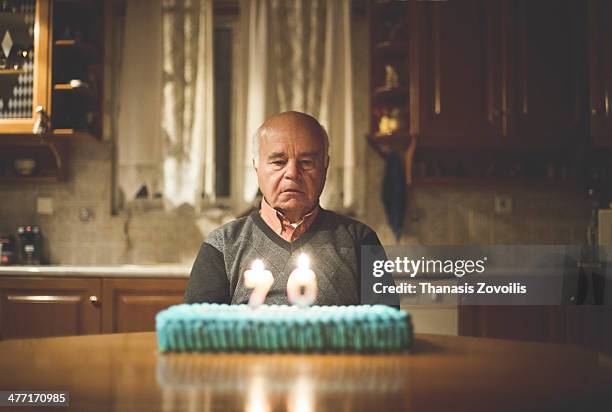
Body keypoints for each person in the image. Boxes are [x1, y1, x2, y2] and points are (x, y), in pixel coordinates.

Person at [184, 111, 398, 307]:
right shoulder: (222, 246)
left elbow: (387, 329)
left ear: (325, 167)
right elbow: (196, 333)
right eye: (278, 162)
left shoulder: (359, 239)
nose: (292, 173)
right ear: (257, 167)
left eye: (306, 162)